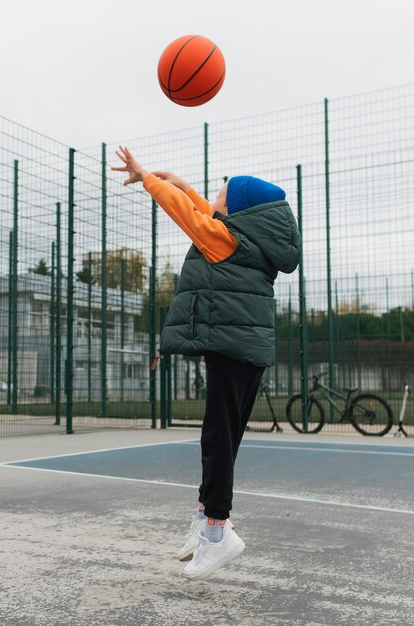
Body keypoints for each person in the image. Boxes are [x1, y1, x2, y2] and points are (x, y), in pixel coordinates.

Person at [112, 146, 301, 581]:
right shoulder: (243, 239)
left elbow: (190, 217)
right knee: (221, 437)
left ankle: (217, 530)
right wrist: (182, 184)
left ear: (237, 209)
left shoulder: (228, 240)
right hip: (239, 349)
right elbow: (201, 211)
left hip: (235, 349)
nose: (213, 200)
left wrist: (152, 182)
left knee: (217, 439)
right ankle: (208, 519)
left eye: (221, 195)